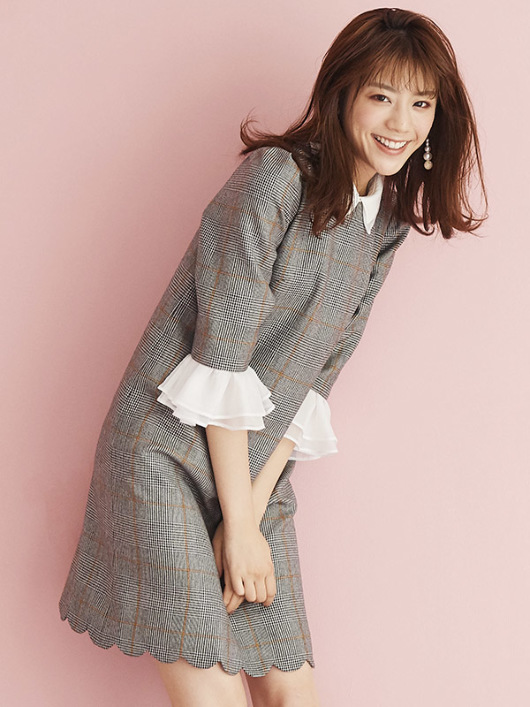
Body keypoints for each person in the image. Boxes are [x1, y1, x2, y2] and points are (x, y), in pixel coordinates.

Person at [58, 7, 487, 707]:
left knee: (294, 691)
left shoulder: (385, 223)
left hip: (253, 470)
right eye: (381, 96)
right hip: (162, 456)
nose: (401, 122)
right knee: (216, 695)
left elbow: (315, 382)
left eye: (421, 103)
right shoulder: (274, 180)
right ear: (341, 95)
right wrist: (238, 527)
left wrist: (248, 519)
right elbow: (222, 358)